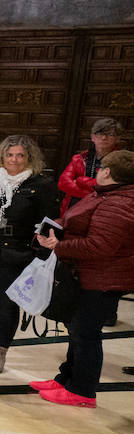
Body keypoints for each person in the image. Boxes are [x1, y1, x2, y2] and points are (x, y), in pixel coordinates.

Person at [32, 149, 134, 407]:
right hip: (87, 277)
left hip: (101, 281)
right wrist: (56, 227)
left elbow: (100, 246)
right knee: (77, 331)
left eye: (101, 168)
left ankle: (82, 391)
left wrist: (58, 245)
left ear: (108, 172)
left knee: (86, 334)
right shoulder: (107, 194)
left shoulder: (119, 202)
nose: (97, 171)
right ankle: (66, 379)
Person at [0, 136, 59, 373]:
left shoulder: (41, 185)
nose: (14, 160)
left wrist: (40, 249)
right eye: (10, 155)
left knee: (7, 306)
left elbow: (49, 221)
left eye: (20, 155)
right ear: (2, 156)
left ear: (29, 158)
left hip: (18, 252)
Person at [58, 118, 123, 215]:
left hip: (102, 211)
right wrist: (93, 194)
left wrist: (80, 180)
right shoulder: (79, 158)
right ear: (92, 137)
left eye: (110, 134)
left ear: (118, 139)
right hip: (72, 208)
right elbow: (63, 183)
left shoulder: (121, 161)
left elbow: (110, 187)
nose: (104, 138)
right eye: (100, 133)